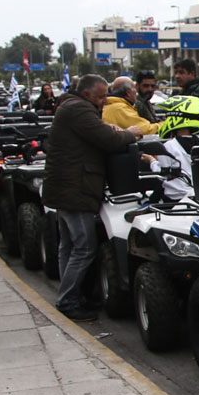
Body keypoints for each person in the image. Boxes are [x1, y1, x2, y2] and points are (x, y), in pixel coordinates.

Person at [41, 74, 141, 320]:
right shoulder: (79, 110)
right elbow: (108, 140)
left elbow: (96, 134)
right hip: (76, 189)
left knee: (69, 245)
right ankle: (68, 301)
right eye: (100, 96)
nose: (105, 100)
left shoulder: (72, 107)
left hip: (66, 188)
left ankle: (71, 295)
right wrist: (131, 133)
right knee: (84, 247)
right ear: (86, 94)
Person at [147, 95, 199, 203]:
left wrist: (152, 161)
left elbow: (162, 173)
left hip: (175, 197)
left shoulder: (170, 145)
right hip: (194, 194)